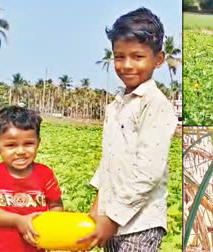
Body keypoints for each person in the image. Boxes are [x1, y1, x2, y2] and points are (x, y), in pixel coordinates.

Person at [77, 7, 178, 252]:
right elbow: (109, 164)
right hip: (111, 219)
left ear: (158, 59)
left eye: (137, 56)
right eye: (119, 57)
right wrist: (98, 210)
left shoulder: (155, 105)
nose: (127, 65)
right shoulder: (116, 105)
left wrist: (112, 217)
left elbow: (148, 172)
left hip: (140, 224)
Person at [0, 106, 63, 252]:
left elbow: (56, 205)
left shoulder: (45, 174)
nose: (21, 151)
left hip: (37, 247)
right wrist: (19, 221)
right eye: (11, 145)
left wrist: (49, 230)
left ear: (38, 143)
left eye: (28, 144)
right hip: (1, 248)